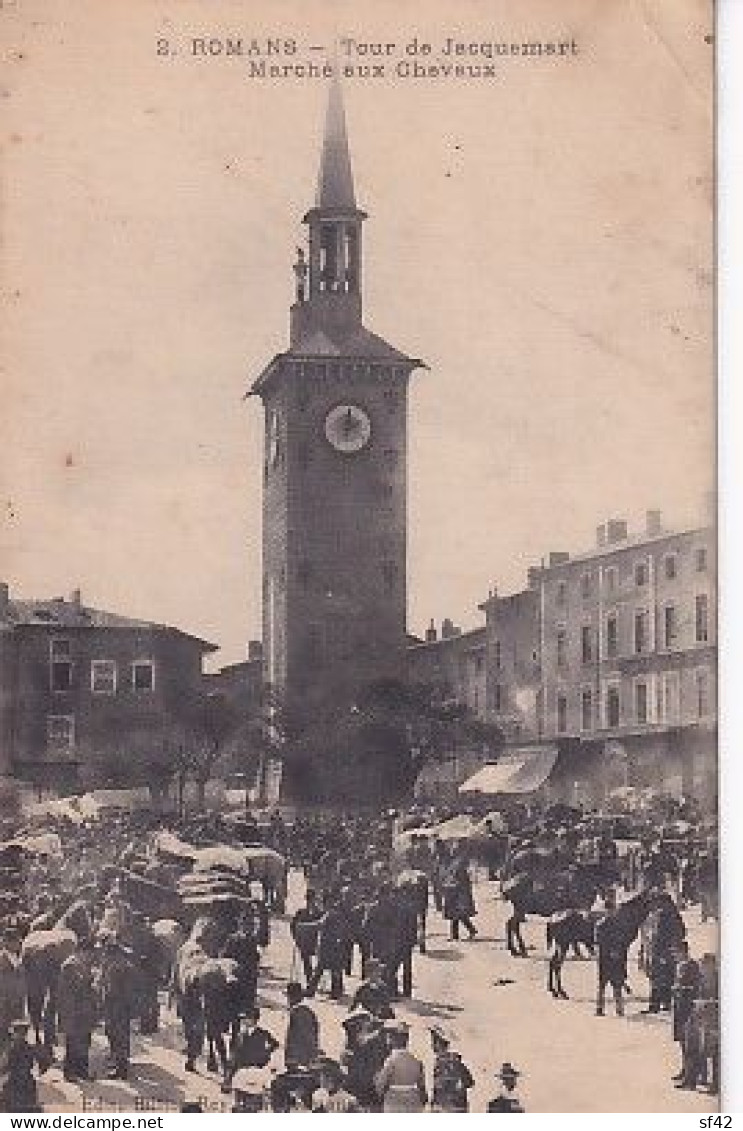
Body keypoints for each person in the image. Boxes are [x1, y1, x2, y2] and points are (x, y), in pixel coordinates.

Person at [57, 936, 98, 1082]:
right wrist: (89, 981)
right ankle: (69, 1072)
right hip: (73, 1011)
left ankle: (82, 1071)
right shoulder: (70, 965)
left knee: (85, 1041)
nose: (91, 956)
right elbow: (76, 988)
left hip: (84, 1010)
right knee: (73, 1042)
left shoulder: (83, 964)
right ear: (81, 951)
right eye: (89, 953)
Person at [98, 936, 135, 1080]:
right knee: (120, 1036)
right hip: (122, 1006)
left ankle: (121, 1068)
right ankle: (120, 1064)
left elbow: (111, 990)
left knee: (116, 1035)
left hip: (116, 1005)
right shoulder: (123, 965)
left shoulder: (116, 968)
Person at [374, 1020, 427, 1113]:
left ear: (394, 1039)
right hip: (414, 1101)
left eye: (389, 1036)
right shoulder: (416, 1061)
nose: (387, 1038)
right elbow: (422, 1089)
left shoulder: (391, 1060)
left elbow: (380, 1086)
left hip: (394, 1102)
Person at [671, 941, 701, 1084]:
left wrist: (681, 988)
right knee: (682, 1041)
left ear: (684, 951)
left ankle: (690, 1075)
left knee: (689, 1043)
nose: (674, 955)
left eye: (676, 952)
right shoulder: (679, 966)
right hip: (679, 1007)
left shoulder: (692, 965)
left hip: (687, 1007)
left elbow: (695, 987)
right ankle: (685, 1069)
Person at [430, 1025, 474, 1112]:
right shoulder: (457, 1061)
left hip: (446, 1108)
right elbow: (470, 1083)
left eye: (434, 1042)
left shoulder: (440, 1063)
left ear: (439, 1044)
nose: (432, 1045)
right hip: (459, 1106)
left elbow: (439, 1089)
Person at [0, 1020, 40, 1113]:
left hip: (15, 1083)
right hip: (26, 1082)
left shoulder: (11, 1049)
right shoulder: (29, 1048)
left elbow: (4, 1066)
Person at [283, 982, 319, 1070]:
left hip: (300, 1059)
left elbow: (308, 1035)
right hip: (297, 1058)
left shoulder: (300, 1013)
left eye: (288, 996)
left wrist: (312, 1055)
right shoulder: (300, 1011)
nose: (287, 1000)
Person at [290, 891, 322, 987]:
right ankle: (309, 980)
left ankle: (313, 980)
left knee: (319, 964)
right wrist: (296, 938)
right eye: (309, 900)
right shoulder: (300, 912)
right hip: (304, 942)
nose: (310, 902)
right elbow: (293, 926)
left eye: (312, 900)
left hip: (315, 942)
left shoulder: (319, 914)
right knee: (306, 962)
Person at [443, 857, 478, 941]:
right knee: (459, 916)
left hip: (458, 896)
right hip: (454, 894)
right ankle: (470, 930)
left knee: (457, 915)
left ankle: (456, 935)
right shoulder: (453, 867)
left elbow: (464, 884)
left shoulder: (459, 869)